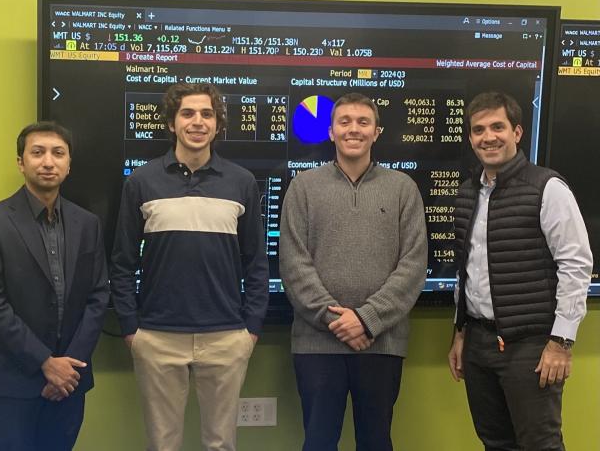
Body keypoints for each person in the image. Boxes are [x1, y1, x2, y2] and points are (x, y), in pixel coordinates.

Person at [110, 82, 269, 451]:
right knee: (163, 445)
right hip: (157, 336)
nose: (198, 122)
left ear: (217, 125)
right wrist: (131, 328)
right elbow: (122, 262)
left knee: (221, 444)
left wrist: (252, 328)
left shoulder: (241, 182)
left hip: (226, 337)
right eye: (188, 113)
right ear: (171, 122)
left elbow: (256, 262)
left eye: (207, 114)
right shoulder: (141, 181)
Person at [279, 92, 428, 451]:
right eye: (344, 122)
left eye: (363, 122)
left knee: (376, 441)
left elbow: (413, 265)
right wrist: (337, 322)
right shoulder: (303, 187)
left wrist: (366, 319)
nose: (353, 129)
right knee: (318, 441)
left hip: (381, 342)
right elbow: (293, 263)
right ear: (330, 131)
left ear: (377, 131)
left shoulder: (403, 189)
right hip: (317, 345)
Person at [448, 91, 593, 451]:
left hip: (531, 346)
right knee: (495, 442)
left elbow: (576, 265)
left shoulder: (548, 188)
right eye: (479, 130)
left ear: (516, 132)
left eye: (497, 127)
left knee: (539, 443)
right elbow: (466, 270)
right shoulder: (468, 194)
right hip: (479, 344)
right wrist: (461, 331)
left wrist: (561, 342)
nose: (488, 137)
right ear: (470, 138)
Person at [0, 122, 109, 451]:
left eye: (58, 153)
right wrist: (45, 363)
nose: (48, 162)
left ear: (69, 164)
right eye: (37, 152)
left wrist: (68, 365)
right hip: (13, 380)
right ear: (21, 162)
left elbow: (99, 295)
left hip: (71, 381)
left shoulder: (88, 224)